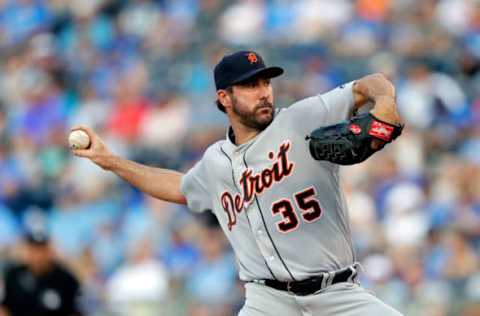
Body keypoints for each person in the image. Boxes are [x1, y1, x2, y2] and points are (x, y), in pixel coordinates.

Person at [71, 50, 403, 315]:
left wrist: (385, 103)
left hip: (337, 294)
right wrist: (110, 161)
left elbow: (369, 83)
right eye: (251, 85)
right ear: (224, 97)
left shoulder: (302, 118)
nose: (264, 93)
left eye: (265, 83)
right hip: (268, 302)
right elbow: (178, 187)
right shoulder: (215, 162)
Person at [0, 230, 83, 316]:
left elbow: (76, 311)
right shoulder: (14, 274)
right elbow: (4, 308)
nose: (38, 256)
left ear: (49, 251)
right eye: (34, 250)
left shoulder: (66, 279)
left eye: (41, 250)